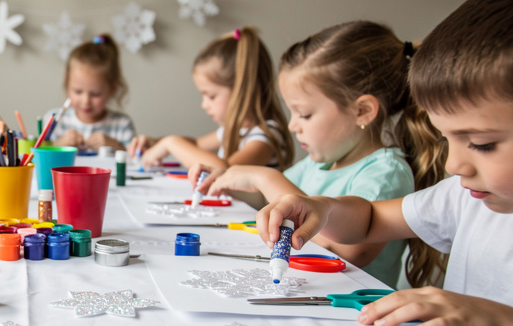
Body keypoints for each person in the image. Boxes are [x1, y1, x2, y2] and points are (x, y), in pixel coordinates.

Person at [257, 0, 513, 326]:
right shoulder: (467, 198)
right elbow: (372, 219)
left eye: (482, 143)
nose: (454, 163)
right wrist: (324, 210)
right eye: (448, 139)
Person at [189, 22, 445, 288]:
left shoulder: (386, 173)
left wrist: (266, 178)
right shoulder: (316, 165)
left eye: (305, 114)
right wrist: (226, 181)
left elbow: (349, 251)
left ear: (362, 111)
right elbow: (266, 202)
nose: (292, 125)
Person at [129, 27, 292, 171]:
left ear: (241, 91)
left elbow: (224, 170)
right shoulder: (232, 131)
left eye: (211, 96)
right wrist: (156, 142)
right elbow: (196, 145)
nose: (204, 105)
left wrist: (170, 143)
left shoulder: (267, 135)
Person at [46, 34, 136, 151]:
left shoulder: (122, 125)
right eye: (78, 91)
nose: (86, 101)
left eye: (96, 94)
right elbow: (37, 155)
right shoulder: (55, 120)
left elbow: (136, 161)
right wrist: (59, 144)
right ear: (67, 83)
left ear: (113, 88)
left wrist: (115, 146)